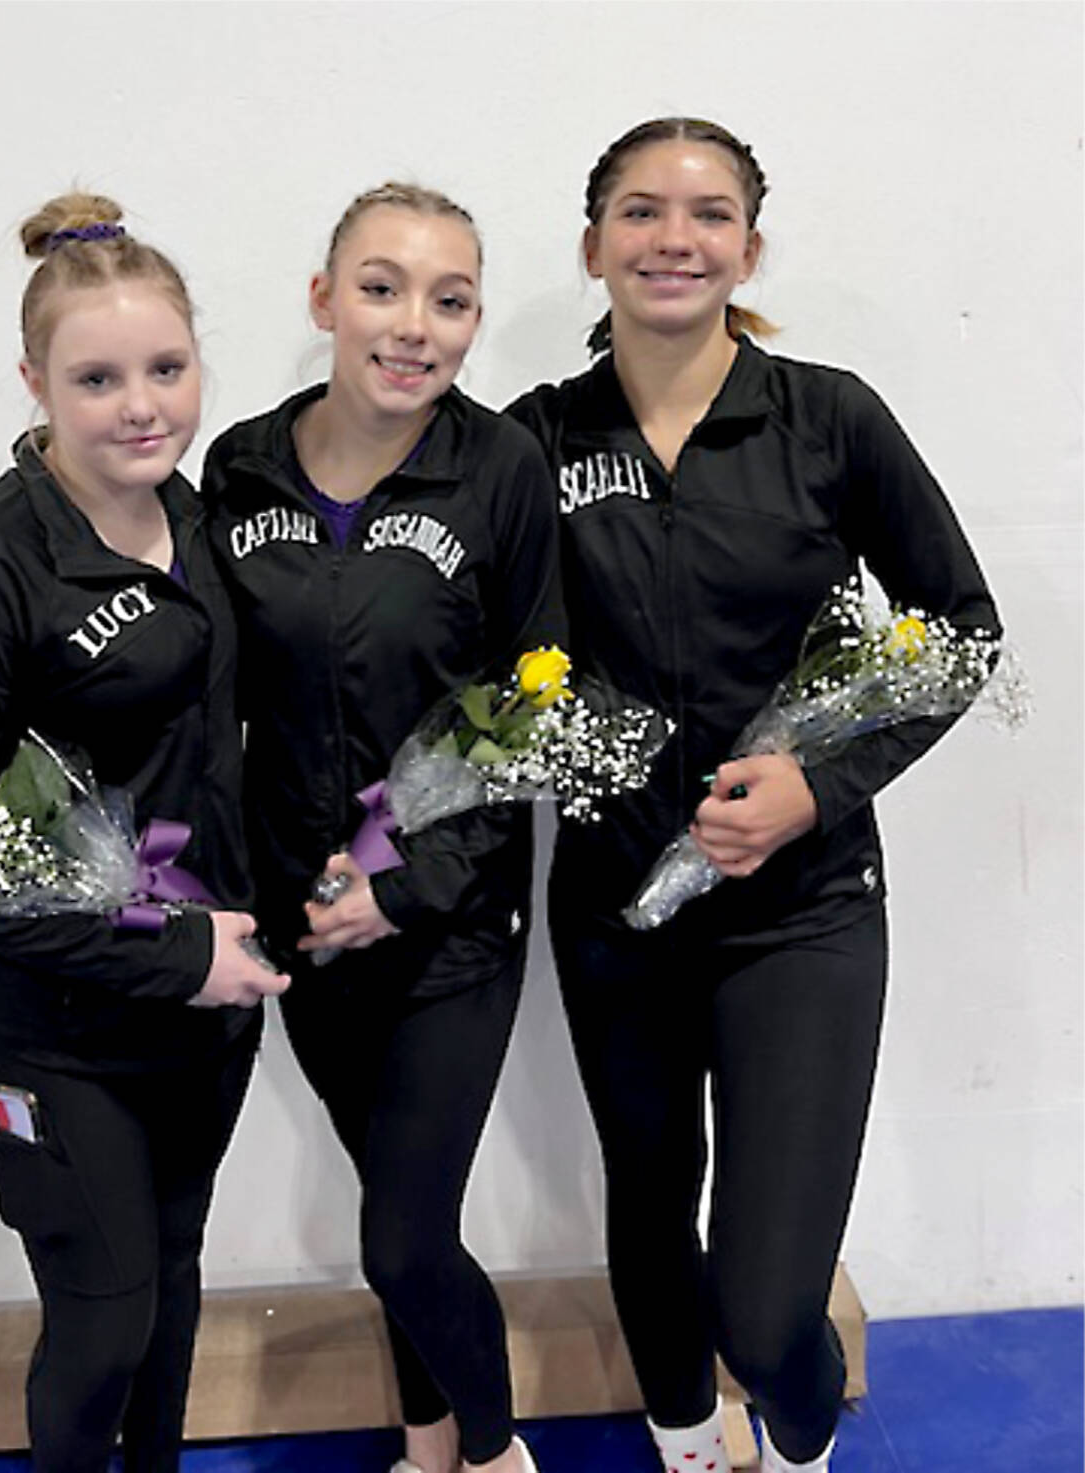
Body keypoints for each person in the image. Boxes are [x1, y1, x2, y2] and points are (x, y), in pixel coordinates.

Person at [506, 119, 1000, 1473]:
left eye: (709, 214)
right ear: (593, 243)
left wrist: (816, 785)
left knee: (769, 1293)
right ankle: (680, 1443)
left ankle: (794, 1444)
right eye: (643, 212)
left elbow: (960, 632)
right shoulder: (530, 442)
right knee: (652, 1214)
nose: (676, 239)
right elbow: (469, 657)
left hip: (805, 909)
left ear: (749, 246)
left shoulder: (829, 417)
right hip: (618, 911)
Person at [0, 193, 288, 1473]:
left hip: (204, 1005)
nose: (141, 405)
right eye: (97, 378)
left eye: (166, 368)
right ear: (35, 382)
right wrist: (173, 958)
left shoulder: (203, 527)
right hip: (57, 1030)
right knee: (103, 1315)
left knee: (166, 1288)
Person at [202, 183, 560, 1473]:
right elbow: (213, 694)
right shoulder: (237, 464)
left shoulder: (500, 469)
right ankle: (426, 1442)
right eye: (381, 287)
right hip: (305, 927)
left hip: (446, 926)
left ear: (469, 324)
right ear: (323, 301)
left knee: (401, 1237)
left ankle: (498, 1452)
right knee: (390, 1211)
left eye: (449, 299)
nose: (414, 325)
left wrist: (406, 887)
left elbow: (531, 702)